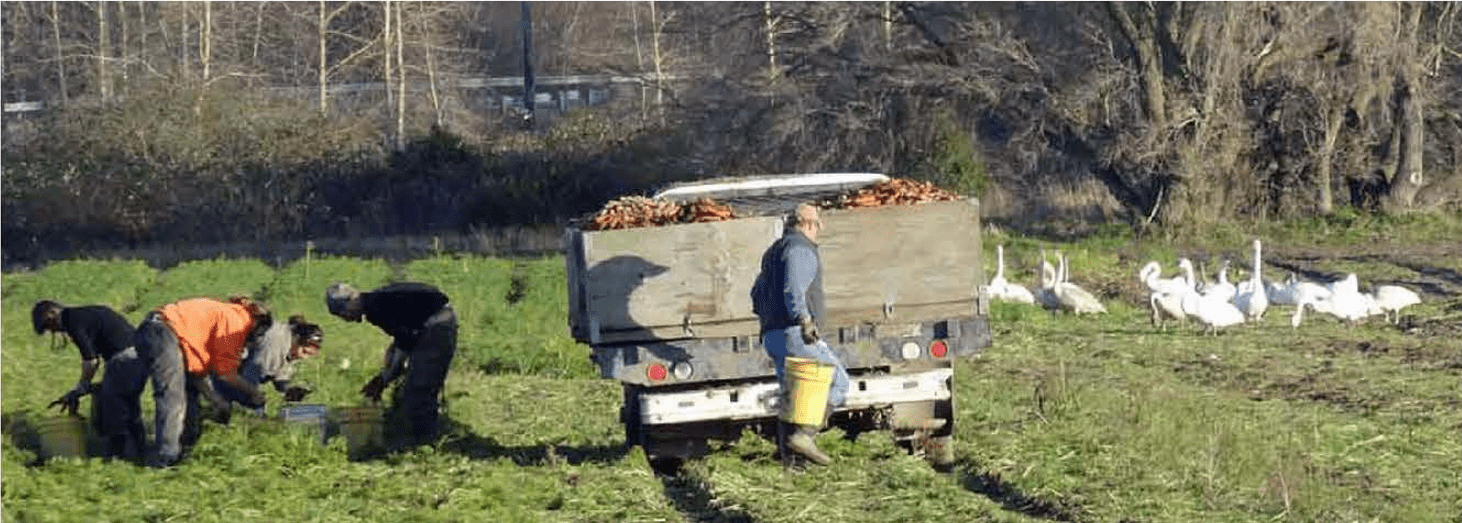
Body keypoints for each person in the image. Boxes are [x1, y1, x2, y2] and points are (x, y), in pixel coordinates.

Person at [750, 202, 850, 466]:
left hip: (772, 335)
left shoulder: (773, 252)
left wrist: (769, 320)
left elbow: (756, 293)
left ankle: (792, 463)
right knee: (838, 382)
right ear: (806, 224)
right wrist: (805, 321)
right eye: (818, 224)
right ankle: (805, 436)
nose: (819, 230)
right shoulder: (800, 250)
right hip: (795, 333)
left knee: (792, 394)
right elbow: (793, 291)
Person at [134, 296, 273, 467]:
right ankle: (165, 458)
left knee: (190, 393)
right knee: (173, 397)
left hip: (157, 330)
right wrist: (254, 392)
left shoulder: (230, 315)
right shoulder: (237, 322)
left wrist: (215, 400)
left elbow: (196, 374)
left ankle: (185, 448)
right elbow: (225, 374)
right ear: (256, 323)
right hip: (162, 332)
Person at [325, 281, 457, 446]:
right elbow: (403, 334)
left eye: (343, 313)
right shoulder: (375, 300)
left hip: (437, 324)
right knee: (415, 382)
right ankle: (421, 435)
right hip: (435, 319)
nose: (347, 319)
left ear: (351, 300)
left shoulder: (375, 307)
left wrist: (385, 378)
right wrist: (390, 363)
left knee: (419, 388)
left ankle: (424, 442)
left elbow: (406, 341)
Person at [31, 300, 148, 459]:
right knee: (128, 404)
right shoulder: (85, 314)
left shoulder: (71, 320)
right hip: (141, 354)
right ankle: (140, 451)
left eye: (50, 325)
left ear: (53, 313)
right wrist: (83, 389)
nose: (54, 331)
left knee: (112, 408)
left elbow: (91, 360)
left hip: (124, 358)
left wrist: (81, 388)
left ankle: (120, 455)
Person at [213, 314, 324, 410]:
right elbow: (251, 374)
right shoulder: (276, 343)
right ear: (296, 339)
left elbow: (279, 372)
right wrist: (255, 398)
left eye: (310, 355)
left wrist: (289, 389)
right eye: (304, 352)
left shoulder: (287, 339)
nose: (304, 358)